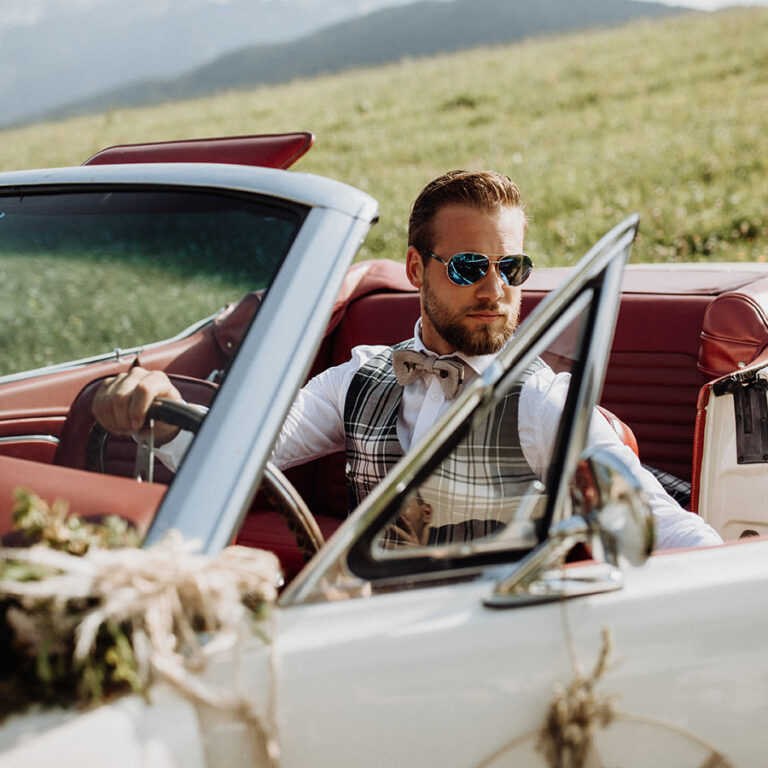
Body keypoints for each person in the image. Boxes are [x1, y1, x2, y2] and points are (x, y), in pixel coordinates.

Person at [92, 170, 722, 550]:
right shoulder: (363, 376)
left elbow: (658, 526)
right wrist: (166, 414)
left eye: (512, 267)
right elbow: (245, 447)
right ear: (418, 269)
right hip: (367, 624)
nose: (496, 289)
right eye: (472, 266)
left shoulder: (541, 400)